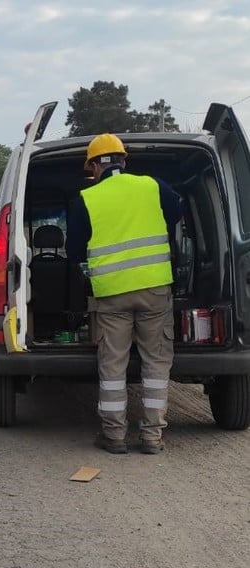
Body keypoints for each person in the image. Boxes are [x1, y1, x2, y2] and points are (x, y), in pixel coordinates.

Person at [66, 133, 182, 455]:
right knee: (156, 362)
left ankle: (114, 435)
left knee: (113, 363)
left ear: (93, 167)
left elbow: (74, 251)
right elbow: (176, 215)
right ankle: (152, 437)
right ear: (124, 160)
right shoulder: (153, 186)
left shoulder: (86, 199)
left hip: (112, 293)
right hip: (154, 289)